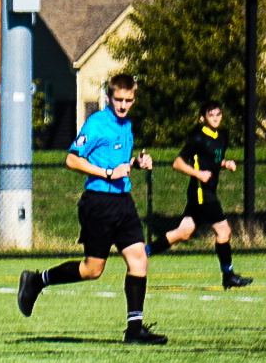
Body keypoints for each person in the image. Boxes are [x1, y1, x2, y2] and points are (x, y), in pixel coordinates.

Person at [16, 74, 165, 344]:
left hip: (123, 201)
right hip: (99, 204)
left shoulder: (126, 125)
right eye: (118, 100)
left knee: (138, 258)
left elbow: (118, 160)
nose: (123, 105)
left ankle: (135, 329)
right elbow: (72, 159)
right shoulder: (97, 123)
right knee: (92, 270)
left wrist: (136, 162)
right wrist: (108, 173)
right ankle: (37, 281)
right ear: (108, 98)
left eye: (128, 100)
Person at [159, 100, 251, 288]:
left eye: (218, 114)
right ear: (203, 118)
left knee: (183, 233)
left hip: (205, 192)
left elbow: (213, 160)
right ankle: (229, 276)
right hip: (201, 193)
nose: (216, 118)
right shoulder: (198, 139)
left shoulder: (222, 136)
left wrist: (225, 164)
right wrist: (197, 173)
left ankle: (145, 252)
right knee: (224, 231)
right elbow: (177, 163)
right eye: (211, 115)